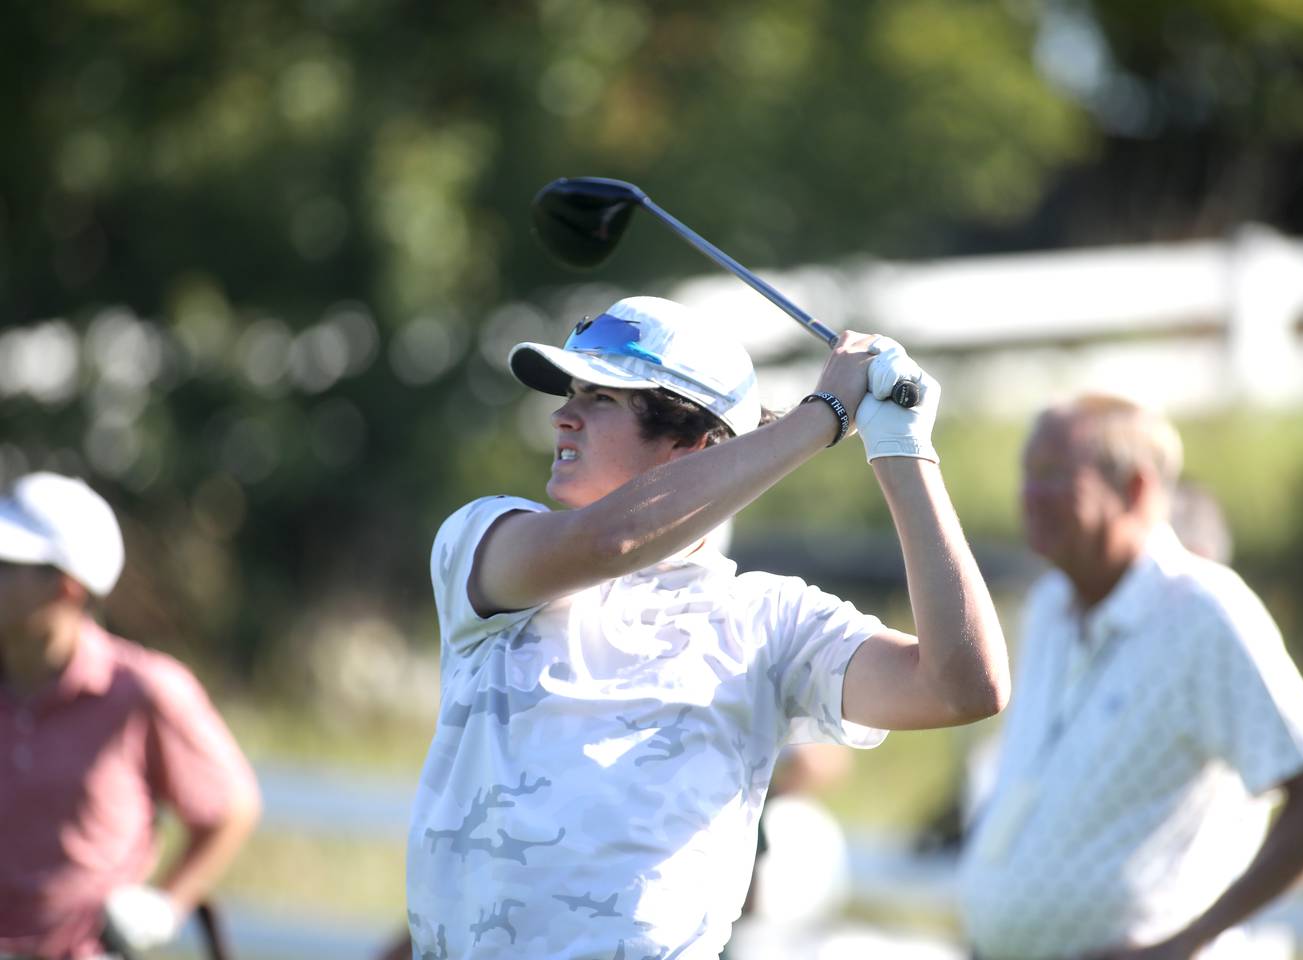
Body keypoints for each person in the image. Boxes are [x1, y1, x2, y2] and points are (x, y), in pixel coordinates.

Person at [405, 295, 1010, 959]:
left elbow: (963, 687)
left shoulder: (772, 619)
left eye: (601, 399)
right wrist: (824, 417)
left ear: (692, 445)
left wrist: (902, 450)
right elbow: (613, 539)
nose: (562, 416)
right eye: (572, 392)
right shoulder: (486, 539)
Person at [955, 394, 1303, 960]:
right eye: (1026, 474)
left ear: (1137, 489)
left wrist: (1182, 946)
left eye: (1053, 475)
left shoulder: (1203, 609)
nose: (1029, 497)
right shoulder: (1049, 605)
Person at [0, 472, 261, 959]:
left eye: (8, 563)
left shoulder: (143, 691)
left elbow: (231, 807)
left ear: (68, 587)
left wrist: (164, 906)